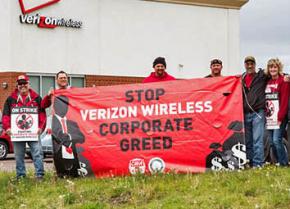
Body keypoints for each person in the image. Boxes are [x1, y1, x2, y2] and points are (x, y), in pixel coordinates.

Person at [2, 75, 46, 179]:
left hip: (34, 133)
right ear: (17, 85)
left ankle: (40, 176)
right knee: (19, 156)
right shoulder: (10, 99)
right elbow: (5, 115)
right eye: (20, 84)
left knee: (37, 154)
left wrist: (40, 127)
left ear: (28, 84)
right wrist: (7, 128)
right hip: (17, 134)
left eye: (24, 83)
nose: (22, 86)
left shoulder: (36, 98)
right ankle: (21, 177)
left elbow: (42, 114)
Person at [242, 56, 268, 168]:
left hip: (258, 113)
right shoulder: (241, 79)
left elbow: (275, 74)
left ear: (255, 65)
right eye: (247, 64)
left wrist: (286, 77)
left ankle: (258, 164)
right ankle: (250, 162)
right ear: (245, 65)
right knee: (248, 141)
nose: (249, 66)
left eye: (251, 64)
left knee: (257, 140)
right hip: (245, 113)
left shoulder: (261, 76)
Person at [265, 58, 289, 166]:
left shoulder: (283, 81)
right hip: (269, 117)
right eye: (271, 67)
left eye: (275, 67)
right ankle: (278, 162)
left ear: (278, 68)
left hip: (280, 117)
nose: (273, 69)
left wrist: (280, 118)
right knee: (271, 142)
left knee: (276, 140)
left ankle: (284, 163)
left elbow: (284, 101)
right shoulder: (268, 82)